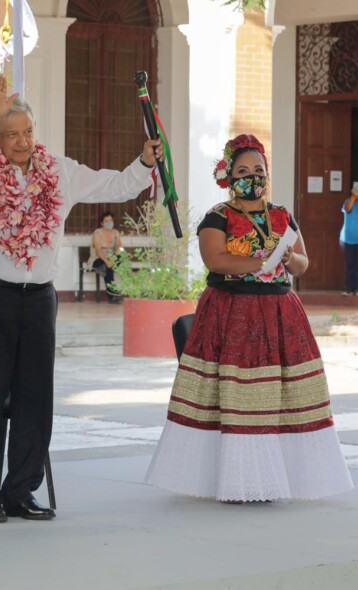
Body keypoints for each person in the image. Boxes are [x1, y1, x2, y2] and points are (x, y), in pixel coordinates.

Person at [0, 74, 161, 522]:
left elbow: (116, 186)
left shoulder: (60, 171)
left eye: (28, 131)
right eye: (11, 134)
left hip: (38, 299)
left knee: (35, 397)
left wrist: (144, 163)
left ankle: (21, 490)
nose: (23, 141)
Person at [145, 134, 353, 503]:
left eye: (259, 170)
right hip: (232, 312)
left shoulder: (282, 215)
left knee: (281, 396)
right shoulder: (218, 217)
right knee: (236, 396)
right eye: (243, 170)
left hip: (279, 312)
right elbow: (216, 260)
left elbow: (303, 263)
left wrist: (288, 260)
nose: (252, 176)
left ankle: (279, 479)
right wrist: (259, 263)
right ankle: (235, 482)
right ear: (227, 176)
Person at [89, 210, 122, 303]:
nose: (109, 223)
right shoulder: (97, 233)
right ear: (102, 223)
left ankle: (113, 295)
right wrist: (107, 261)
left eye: (110, 220)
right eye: (106, 221)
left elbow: (119, 246)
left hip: (112, 258)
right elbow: (98, 249)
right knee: (107, 268)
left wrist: (114, 258)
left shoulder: (116, 232)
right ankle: (112, 296)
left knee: (112, 266)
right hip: (98, 258)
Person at [340, 184, 358, 296]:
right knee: (351, 264)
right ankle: (350, 289)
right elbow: (347, 208)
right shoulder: (348, 201)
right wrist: (353, 197)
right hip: (348, 240)